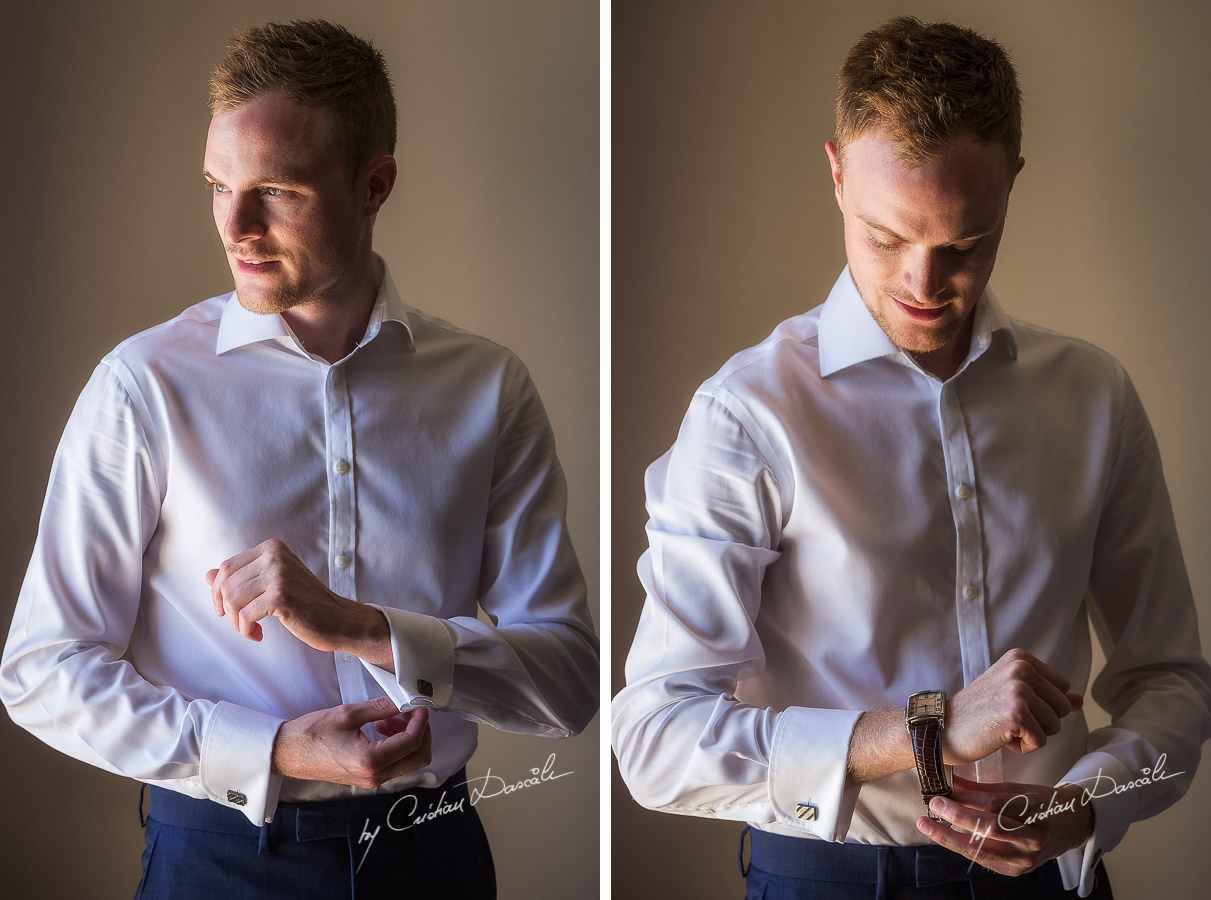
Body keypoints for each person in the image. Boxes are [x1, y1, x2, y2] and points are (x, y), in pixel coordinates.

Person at [612, 15, 1211, 899]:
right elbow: (653, 740)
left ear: (1012, 178)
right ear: (835, 174)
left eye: (962, 246)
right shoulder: (746, 415)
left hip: (1051, 883)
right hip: (830, 879)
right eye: (886, 238)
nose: (924, 285)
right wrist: (927, 730)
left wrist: (1086, 806)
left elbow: (1170, 682)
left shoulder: (1091, 397)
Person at [1, 18, 597, 899]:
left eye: (275, 190)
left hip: (431, 854)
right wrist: (272, 749)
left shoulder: (487, 388)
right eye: (216, 185)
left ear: (374, 185)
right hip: (219, 857)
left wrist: (366, 628)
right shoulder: (143, 386)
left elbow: (566, 684)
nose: (234, 226)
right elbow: (43, 672)